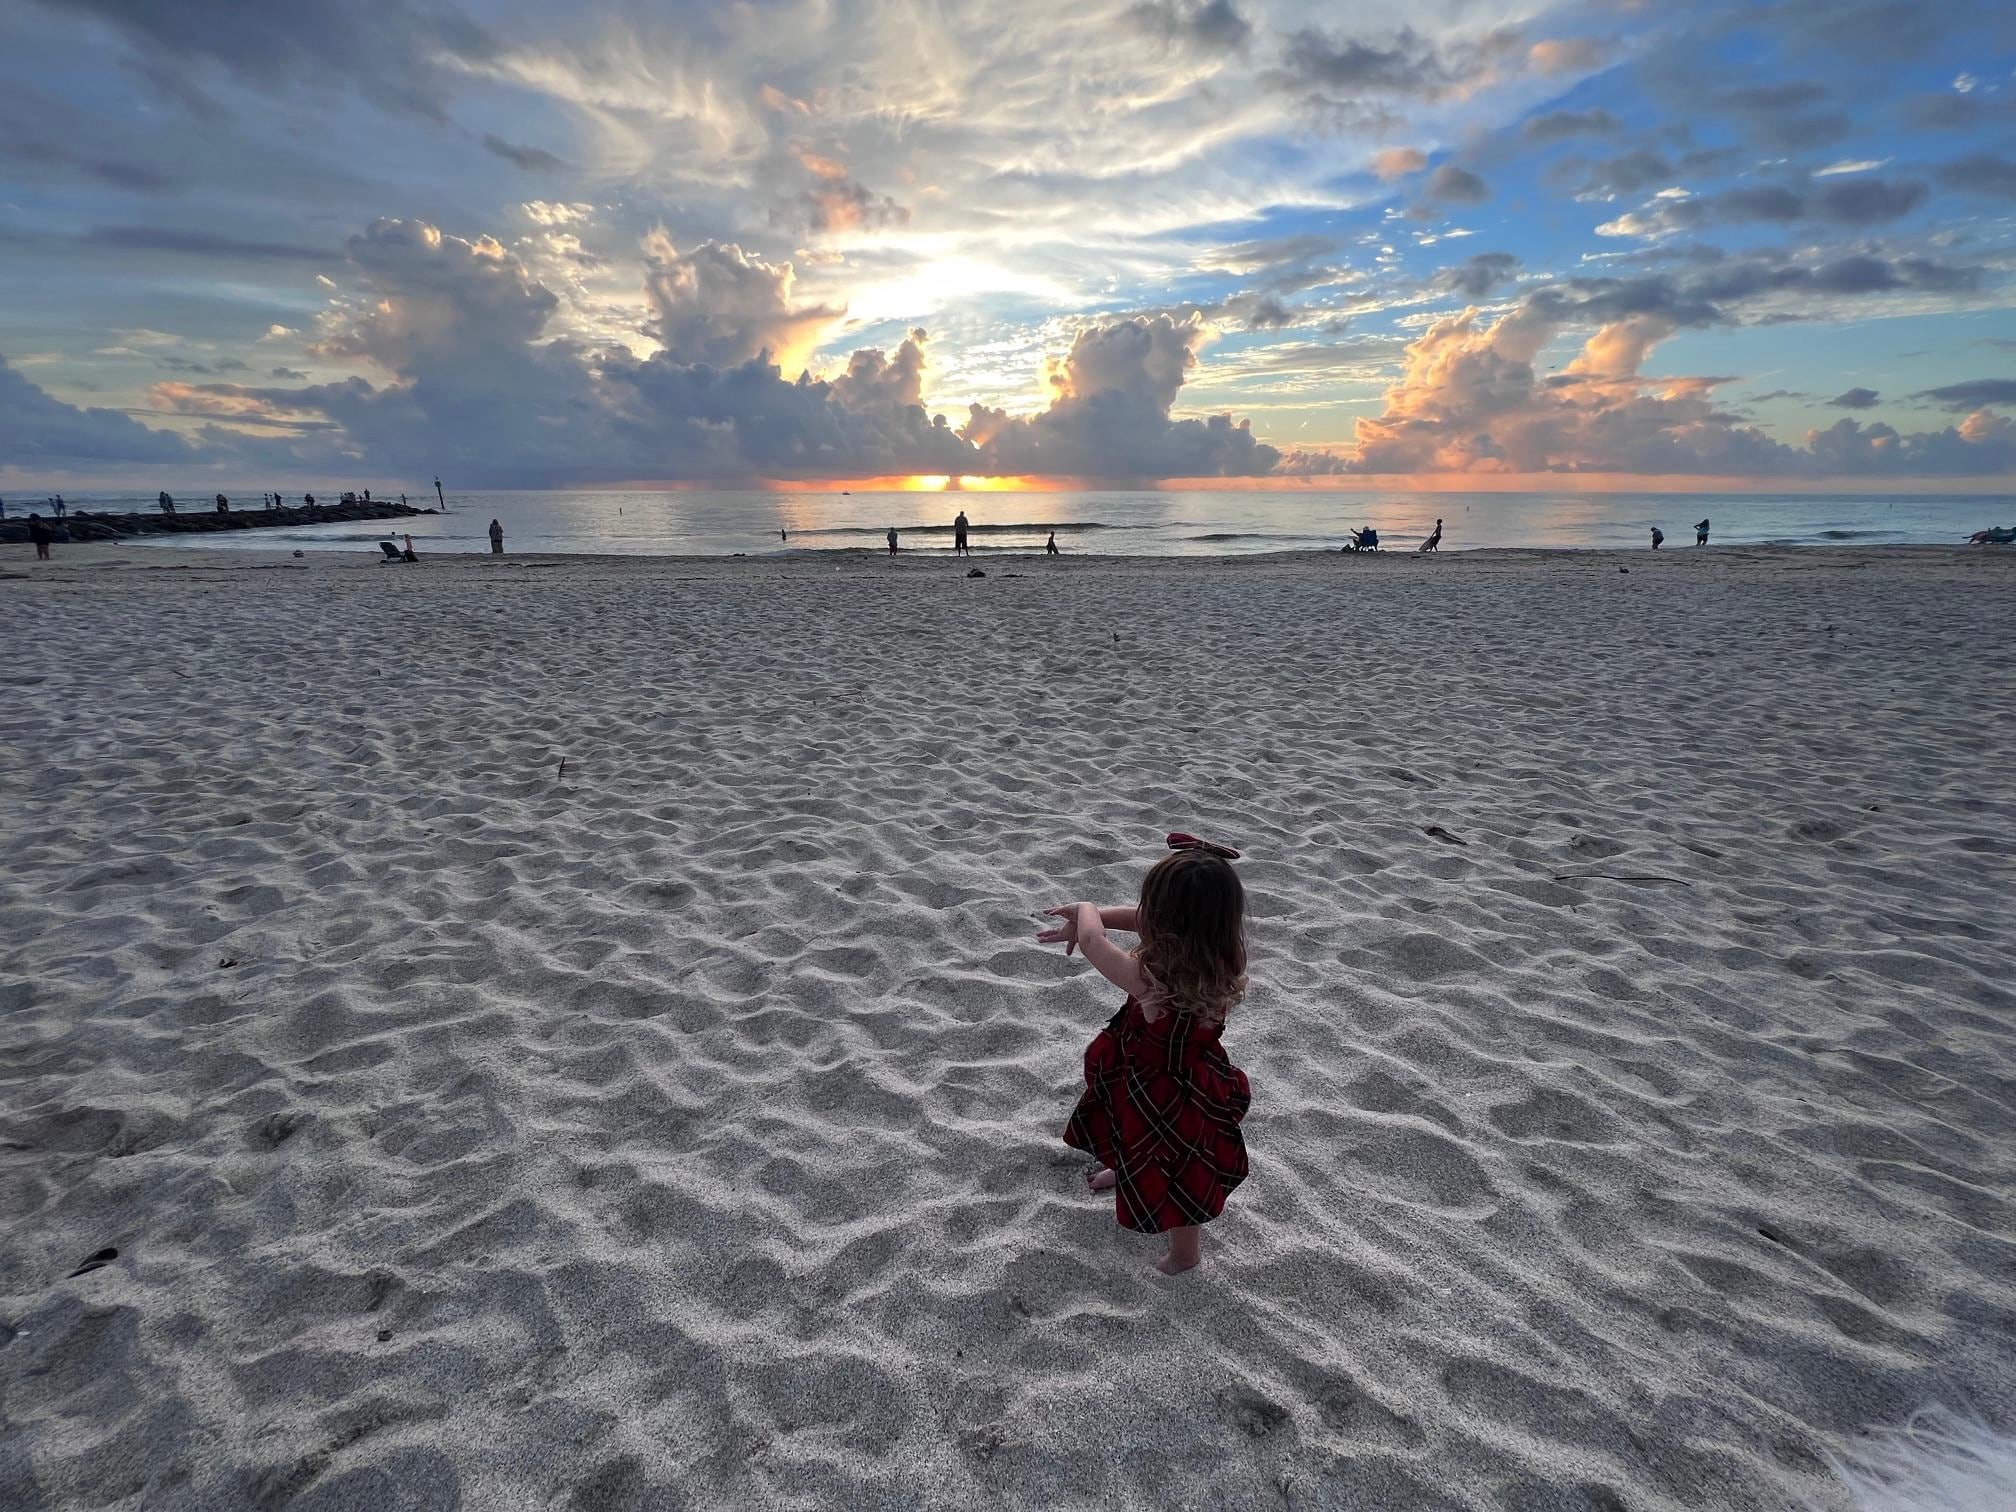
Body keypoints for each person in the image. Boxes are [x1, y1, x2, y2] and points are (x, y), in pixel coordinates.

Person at [1039, 832, 1251, 1275]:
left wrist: (1086, 910)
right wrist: (1089, 918)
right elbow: (1146, 919)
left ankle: (1185, 1253)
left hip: (1158, 1090)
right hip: (1187, 1076)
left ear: (1168, 924)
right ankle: (1126, 1174)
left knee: (1179, 1172)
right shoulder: (1223, 955)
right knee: (1131, 1138)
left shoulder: (1151, 979)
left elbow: (1096, 944)